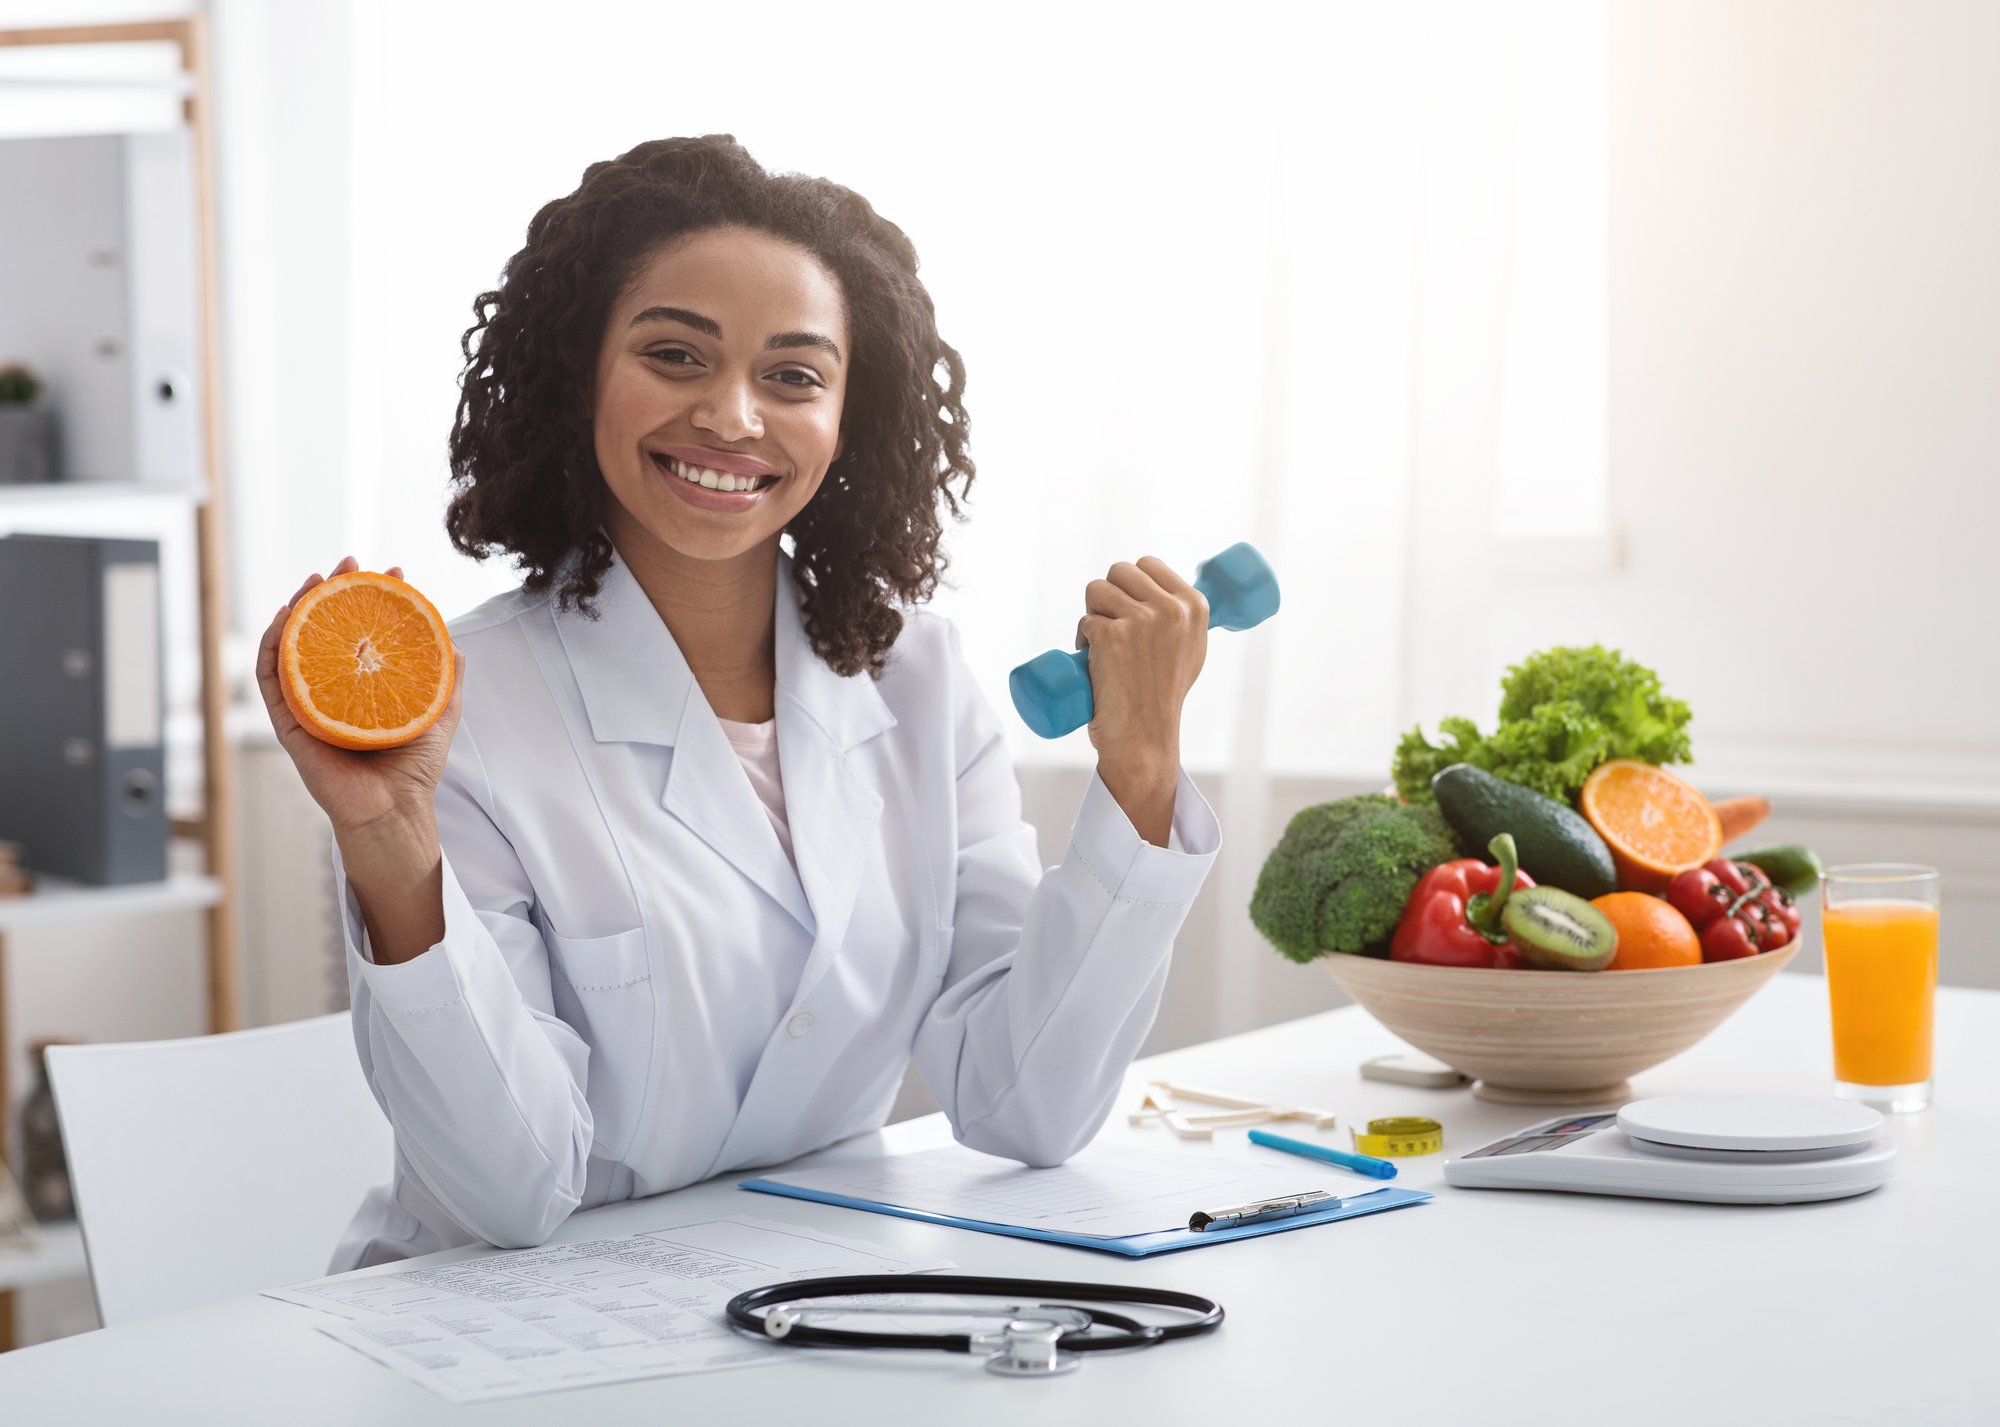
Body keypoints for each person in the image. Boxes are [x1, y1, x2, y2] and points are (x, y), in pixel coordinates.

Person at [256, 135, 1220, 1271]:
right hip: (502, 1325)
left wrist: (1140, 772)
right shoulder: (462, 715)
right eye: (674, 354)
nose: (730, 416)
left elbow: (1024, 1102)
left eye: (793, 375)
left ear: (849, 418)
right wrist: (385, 844)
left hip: (797, 1299)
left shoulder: (917, 681)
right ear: (579, 371)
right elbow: (510, 1193)